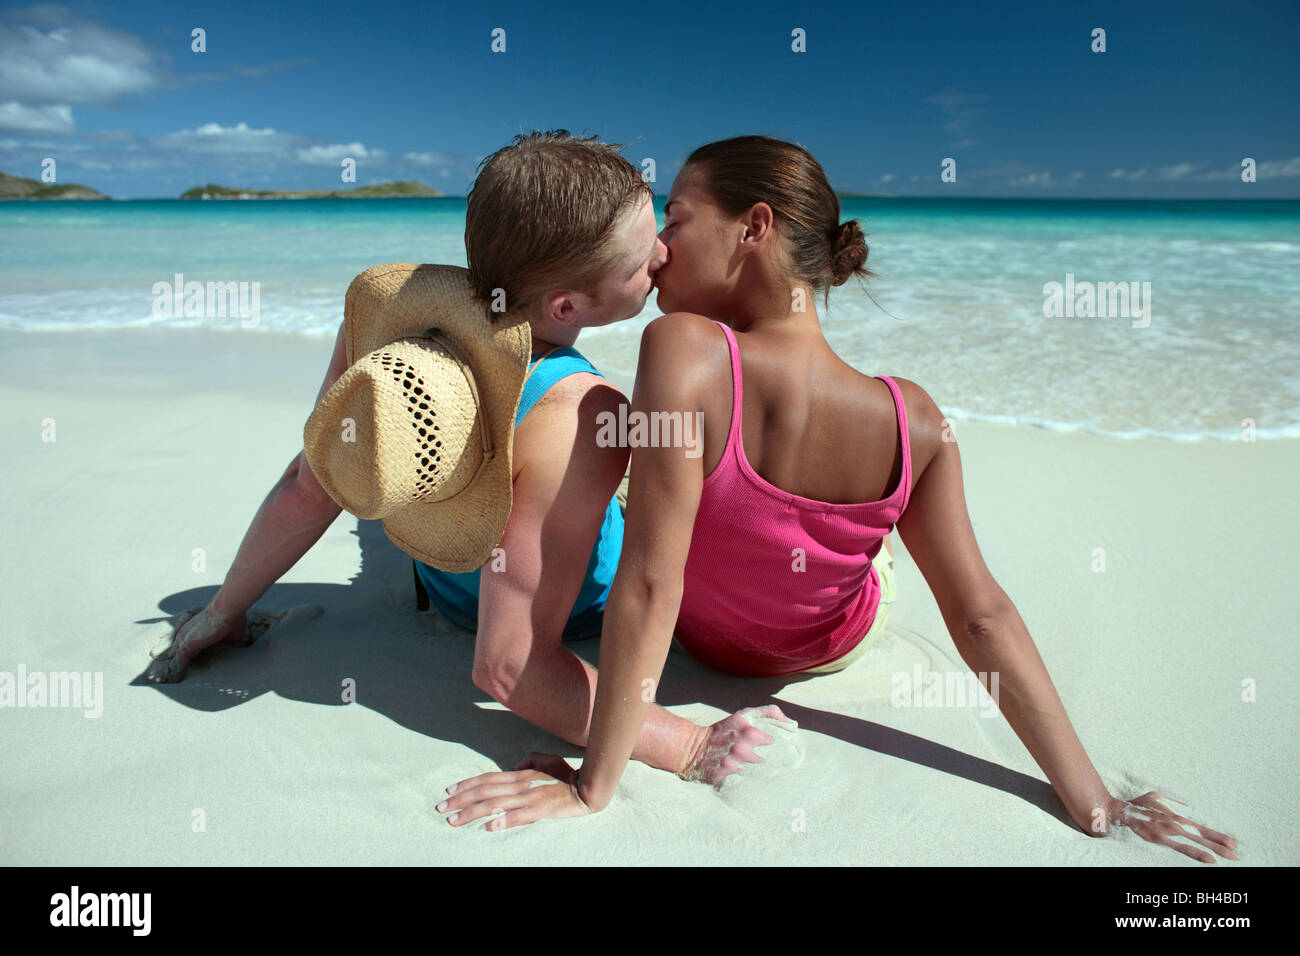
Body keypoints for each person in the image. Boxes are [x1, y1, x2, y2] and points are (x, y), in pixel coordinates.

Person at [436, 135, 1238, 864]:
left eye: (675, 219)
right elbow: (980, 614)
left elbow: (652, 583)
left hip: (708, 634)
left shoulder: (682, 350)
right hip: (837, 636)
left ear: (754, 226)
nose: (658, 249)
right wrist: (1091, 799)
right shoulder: (916, 416)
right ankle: (855, 539)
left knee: (650, 476)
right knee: (844, 540)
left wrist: (593, 786)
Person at [146, 131, 773, 785]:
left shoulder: (392, 336)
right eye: (643, 257)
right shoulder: (583, 415)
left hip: (448, 586)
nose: (664, 256)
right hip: (580, 606)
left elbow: (312, 483)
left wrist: (224, 610)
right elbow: (509, 670)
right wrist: (690, 742)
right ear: (566, 307)